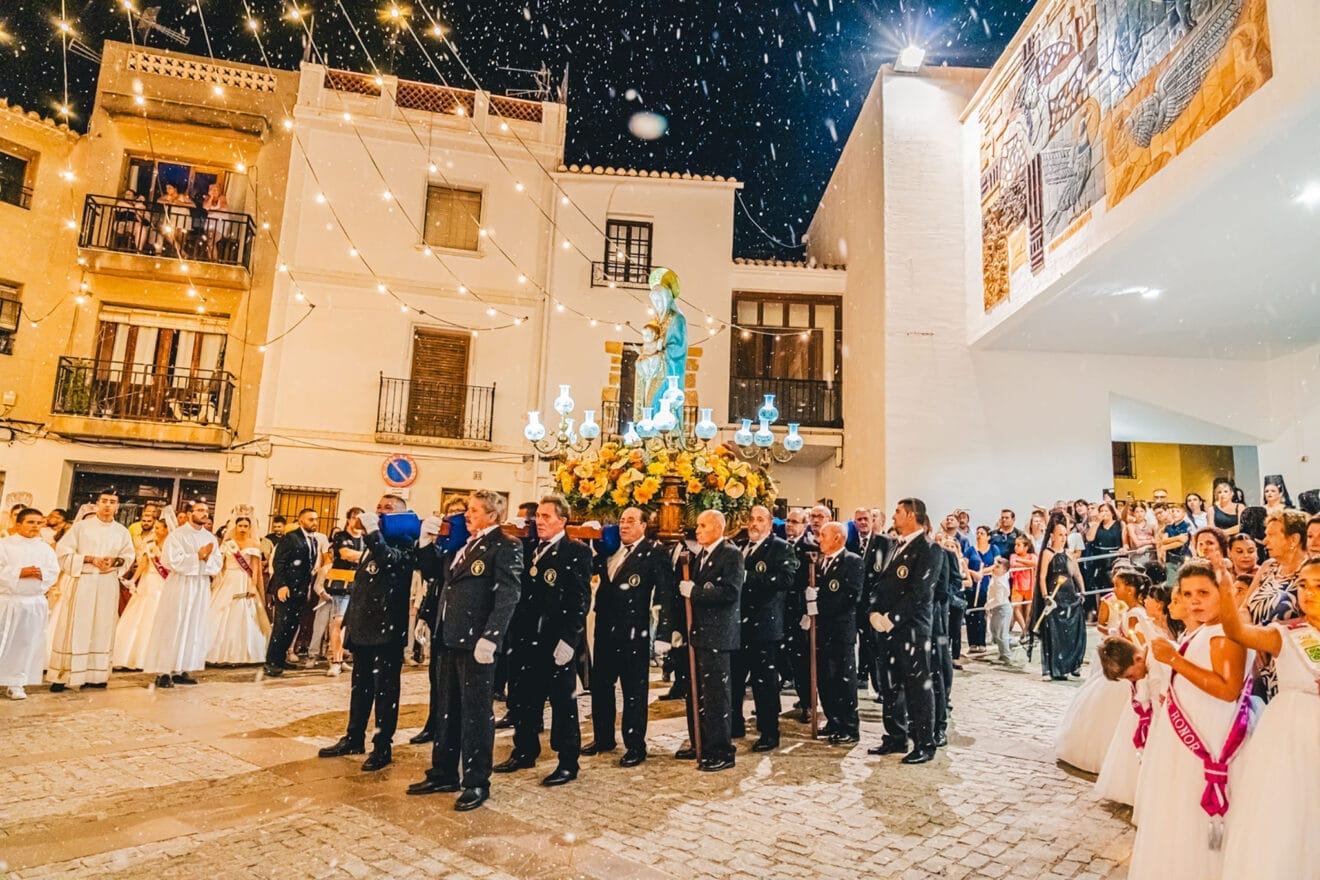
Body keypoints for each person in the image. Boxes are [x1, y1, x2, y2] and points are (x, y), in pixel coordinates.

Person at [1127, 561, 1253, 880]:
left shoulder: (1224, 632)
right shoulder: (1203, 629)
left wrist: (1175, 661)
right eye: (1187, 594)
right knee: (1180, 810)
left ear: (1220, 592)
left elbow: (1228, 690)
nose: (1195, 600)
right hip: (1191, 722)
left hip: (1210, 728)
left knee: (1194, 808)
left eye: (1203, 593)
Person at [407, 489, 522, 812]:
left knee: (475, 715)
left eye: (473, 510)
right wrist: (426, 540)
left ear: (492, 515)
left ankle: (475, 780)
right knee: (446, 710)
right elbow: (433, 574)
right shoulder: (461, 545)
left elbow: (508, 595)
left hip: (476, 644)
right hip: (449, 638)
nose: (466, 515)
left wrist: (492, 637)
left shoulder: (505, 545)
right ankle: (443, 772)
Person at [1218, 556, 1320, 880]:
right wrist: (1223, 585)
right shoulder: (1285, 634)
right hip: (1290, 730)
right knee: (1287, 809)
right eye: (1303, 584)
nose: (1310, 592)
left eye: (1319, 585)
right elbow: (1235, 630)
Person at [320, 495, 426, 772]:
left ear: (401, 515)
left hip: (387, 629)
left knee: (385, 691)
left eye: (388, 508)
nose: (380, 511)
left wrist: (375, 533)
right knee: (360, 686)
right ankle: (354, 737)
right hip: (363, 626)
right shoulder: (371, 539)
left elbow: (390, 562)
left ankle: (382, 746)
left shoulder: (403, 541)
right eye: (379, 506)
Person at [497, 494, 591, 787]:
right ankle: (524, 750)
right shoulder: (526, 548)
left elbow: (580, 600)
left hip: (555, 640)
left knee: (563, 702)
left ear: (563, 520)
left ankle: (567, 760)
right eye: (537, 516)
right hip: (525, 638)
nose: (540, 521)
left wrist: (569, 639)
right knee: (523, 698)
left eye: (547, 516)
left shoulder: (575, 551)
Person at [584, 506, 674, 765]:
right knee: (601, 687)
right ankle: (603, 738)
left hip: (634, 631)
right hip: (605, 629)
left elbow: (665, 594)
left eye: (631, 521)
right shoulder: (610, 550)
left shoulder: (654, 553)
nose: (624, 525)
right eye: (622, 521)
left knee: (634, 690)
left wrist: (664, 633)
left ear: (644, 525)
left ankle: (635, 745)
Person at [657, 509, 743, 772]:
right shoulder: (700, 556)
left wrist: (695, 592)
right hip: (699, 633)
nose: (698, 530)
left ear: (718, 527)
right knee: (698, 695)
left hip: (718, 635)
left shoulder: (730, 554)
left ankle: (721, 751)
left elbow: (730, 592)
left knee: (717, 698)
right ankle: (701, 744)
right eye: (698, 525)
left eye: (703, 525)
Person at [866, 497, 938, 765]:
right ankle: (896, 736)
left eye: (897, 512)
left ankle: (924, 743)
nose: (893, 516)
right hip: (887, 629)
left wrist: (892, 618)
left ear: (911, 515)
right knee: (891, 685)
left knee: (918, 687)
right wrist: (874, 612)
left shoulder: (928, 549)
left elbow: (920, 593)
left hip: (911, 630)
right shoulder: (894, 545)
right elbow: (880, 584)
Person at [47, 490, 134, 691]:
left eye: (112, 502)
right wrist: (89, 559)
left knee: (102, 627)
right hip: (84, 581)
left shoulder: (122, 531)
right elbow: (63, 553)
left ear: (117, 506)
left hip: (106, 582)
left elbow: (128, 557)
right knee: (76, 625)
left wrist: (114, 561)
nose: (107, 505)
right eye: (104, 501)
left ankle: (96, 675)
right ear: (96, 504)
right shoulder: (81, 527)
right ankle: (63, 675)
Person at [728, 505, 798, 751]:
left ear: (770, 523)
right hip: (739, 625)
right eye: (751, 519)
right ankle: (734, 723)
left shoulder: (780, 547)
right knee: (735, 679)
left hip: (764, 626)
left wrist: (751, 578)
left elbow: (787, 579)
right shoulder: (740, 547)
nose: (754, 524)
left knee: (764, 682)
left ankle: (769, 732)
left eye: (760, 519)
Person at [1053, 569, 1132, 774]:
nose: (1114, 589)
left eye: (1119, 585)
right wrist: (1112, 633)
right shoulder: (1108, 601)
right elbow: (1102, 624)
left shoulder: (1135, 613)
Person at [142, 501, 222, 688]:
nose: (205, 514)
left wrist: (208, 558)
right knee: (173, 625)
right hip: (179, 584)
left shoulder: (209, 537)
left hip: (200, 584)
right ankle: (164, 671)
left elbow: (217, 564)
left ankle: (184, 667)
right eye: (200, 510)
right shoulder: (177, 535)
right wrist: (197, 556)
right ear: (188, 513)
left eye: (207, 512)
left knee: (194, 625)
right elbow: (169, 561)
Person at [801, 521, 861, 744]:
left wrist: (821, 606)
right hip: (821, 630)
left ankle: (849, 726)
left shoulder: (851, 561)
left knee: (843, 679)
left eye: (824, 535)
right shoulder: (820, 562)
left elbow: (850, 596)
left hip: (840, 630)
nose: (819, 539)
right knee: (825, 679)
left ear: (838, 538)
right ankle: (834, 720)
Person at [1243, 509, 1307, 699]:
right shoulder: (1268, 567)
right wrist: (1254, 637)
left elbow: (1313, 618)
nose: (1265, 541)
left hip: (1290, 660)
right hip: (1257, 660)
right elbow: (1244, 607)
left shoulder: (1311, 571)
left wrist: (1271, 634)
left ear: (1293, 539)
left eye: (1271, 535)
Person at [0, 508, 60, 699]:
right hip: (8, 601)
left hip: (33, 603)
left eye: (38, 523)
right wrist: (19, 572)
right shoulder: (4, 545)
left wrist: (41, 574)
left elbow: (53, 571)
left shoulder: (45, 548)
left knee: (25, 644)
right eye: (30, 522)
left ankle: (16, 683)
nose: (35, 526)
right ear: (18, 524)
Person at [263, 508, 321, 678]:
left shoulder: (314, 541)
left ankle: (281, 659)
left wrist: (307, 588)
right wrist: (281, 585)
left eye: (316, 519)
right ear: (301, 521)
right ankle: (272, 662)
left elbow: (308, 567)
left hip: (301, 590)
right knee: (282, 625)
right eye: (310, 519)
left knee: (292, 626)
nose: (314, 522)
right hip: (286, 588)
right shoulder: (291, 538)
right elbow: (279, 562)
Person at [206, 512, 270, 665]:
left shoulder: (254, 544)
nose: (242, 528)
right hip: (228, 579)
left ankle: (242, 653)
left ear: (250, 528)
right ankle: (214, 651)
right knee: (220, 612)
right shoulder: (228, 544)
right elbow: (220, 565)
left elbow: (255, 569)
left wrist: (253, 586)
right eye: (240, 525)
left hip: (244, 579)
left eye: (245, 526)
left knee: (244, 614)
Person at [1030, 513, 1087, 681]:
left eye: (1065, 535)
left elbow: (1077, 574)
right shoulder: (1048, 553)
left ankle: (1072, 665)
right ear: (1052, 536)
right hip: (1055, 599)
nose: (1063, 538)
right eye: (1059, 534)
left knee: (1073, 632)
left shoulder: (1070, 554)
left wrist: (1082, 591)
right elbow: (1041, 577)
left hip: (1070, 597)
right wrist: (1045, 596)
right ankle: (1052, 668)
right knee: (1054, 633)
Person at [113, 516, 173, 670]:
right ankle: (131, 655)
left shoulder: (172, 546)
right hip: (149, 581)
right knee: (139, 613)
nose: (155, 531)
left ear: (167, 529)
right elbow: (144, 564)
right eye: (155, 528)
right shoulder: (150, 545)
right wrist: (133, 580)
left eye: (158, 528)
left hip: (164, 583)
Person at [781, 507, 819, 724]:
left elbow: (810, 582)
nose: (789, 525)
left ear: (804, 524)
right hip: (783, 609)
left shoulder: (809, 548)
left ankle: (808, 703)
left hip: (799, 610)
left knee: (802, 660)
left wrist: (807, 613)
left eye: (795, 522)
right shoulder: (782, 546)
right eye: (788, 521)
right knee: (786, 658)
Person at [324, 508, 365, 676]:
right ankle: (335, 660)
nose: (357, 521)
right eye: (354, 518)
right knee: (338, 621)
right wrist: (367, 555)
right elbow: (346, 554)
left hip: (359, 584)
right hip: (342, 584)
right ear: (348, 519)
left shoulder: (364, 538)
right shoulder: (341, 536)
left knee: (350, 624)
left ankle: (342, 656)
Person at [963, 526, 995, 655]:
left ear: (988, 537)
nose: (979, 535)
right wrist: (974, 573)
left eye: (982, 533)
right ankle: (973, 643)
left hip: (986, 584)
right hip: (972, 584)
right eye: (978, 532)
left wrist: (982, 572)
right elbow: (964, 564)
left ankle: (982, 642)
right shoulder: (970, 550)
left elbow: (996, 564)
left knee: (982, 613)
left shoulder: (993, 549)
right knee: (971, 612)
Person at [984, 557, 1016, 666]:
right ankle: (1004, 651)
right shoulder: (996, 577)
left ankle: (1007, 656)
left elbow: (999, 599)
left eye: (997, 567)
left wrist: (988, 605)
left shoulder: (1000, 582)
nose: (994, 568)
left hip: (1002, 608)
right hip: (997, 608)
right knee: (994, 631)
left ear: (1004, 570)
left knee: (1001, 633)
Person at [1008, 534, 1037, 635]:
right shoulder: (1013, 556)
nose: (1016, 547)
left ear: (1026, 547)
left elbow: (1034, 563)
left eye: (1018, 545)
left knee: (1029, 609)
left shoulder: (1032, 556)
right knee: (1016, 607)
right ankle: (1024, 628)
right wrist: (1026, 563)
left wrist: (1020, 560)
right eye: (1015, 545)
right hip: (1017, 586)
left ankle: (1029, 628)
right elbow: (1012, 564)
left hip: (1029, 585)